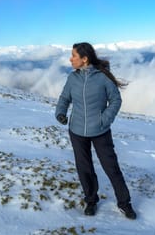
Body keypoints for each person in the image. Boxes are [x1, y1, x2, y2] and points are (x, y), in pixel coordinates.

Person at [55, 42, 136, 219]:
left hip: (100, 131)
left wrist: (104, 120)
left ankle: (124, 203)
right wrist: (60, 112)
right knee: (84, 168)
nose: (70, 59)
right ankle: (91, 201)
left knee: (112, 168)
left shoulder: (102, 78)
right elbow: (64, 98)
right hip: (76, 131)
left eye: (73, 56)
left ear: (84, 59)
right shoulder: (72, 78)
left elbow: (115, 100)